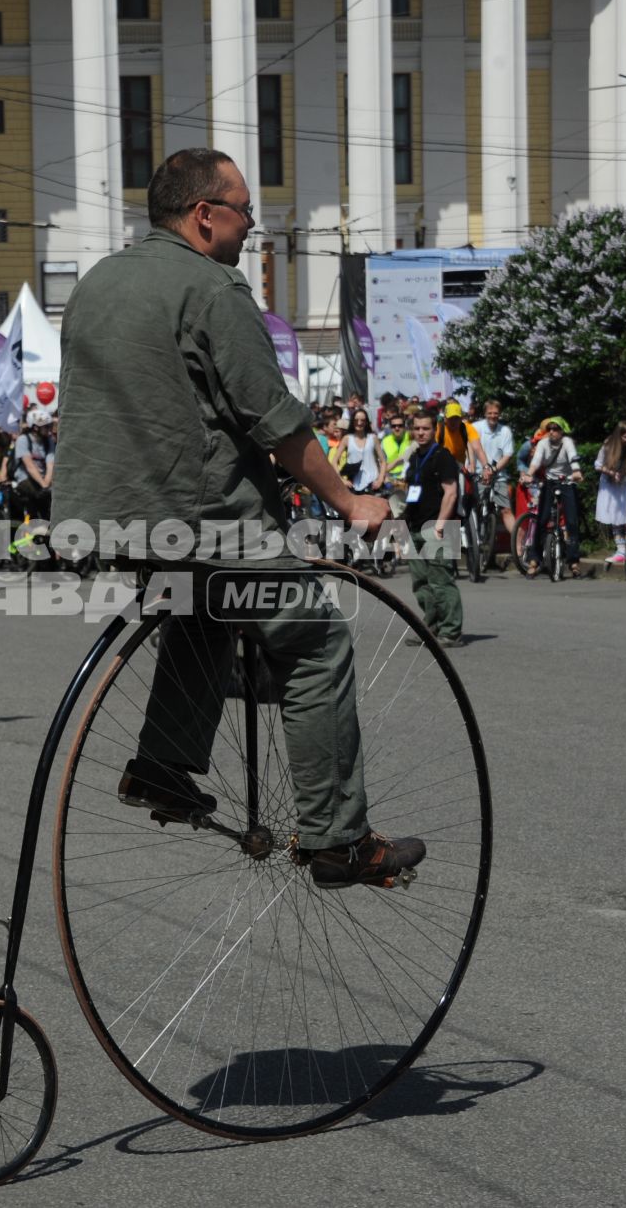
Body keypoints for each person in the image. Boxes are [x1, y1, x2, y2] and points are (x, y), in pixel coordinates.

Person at [52, 146, 426, 891]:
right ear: (204, 216)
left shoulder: (97, 282)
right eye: (244, 212)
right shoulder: (214, 289)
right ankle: (337, 838)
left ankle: (161, 766)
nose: (250, 228)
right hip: (206, 519)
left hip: (114, 521)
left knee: (205, 611)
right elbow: (275, 422)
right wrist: (351, 502)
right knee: (317, 641)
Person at [401, 410, 464, 647]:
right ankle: (430, 628)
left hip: (438, 527)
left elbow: (451, 493)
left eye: (425, 428)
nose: (420, 432)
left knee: (441, 581)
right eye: (417, 428)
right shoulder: (415, 457)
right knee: (421, 583)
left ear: (434, 429)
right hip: (415, 526)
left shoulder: (443, 456)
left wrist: (439, 525)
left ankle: (451, 631)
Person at [523, 416, 583, 577]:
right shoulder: (543, 443)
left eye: (555, 429)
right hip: (550, 482)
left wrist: (576, 471)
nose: (552, 432)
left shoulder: (567, 442)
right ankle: (534, 560)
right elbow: (536, 461)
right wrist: (529, 474)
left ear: (562, 431)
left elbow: (573, 457)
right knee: (541, 520)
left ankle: (573, 561)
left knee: (571, 522)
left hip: (567, 482)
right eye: (549, 429)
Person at [473, 400, 517, 550]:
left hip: (498, 475)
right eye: (490, 413)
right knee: (471, 508)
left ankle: (520, 547)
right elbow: (473, 450)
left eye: (496, 413)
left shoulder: (505, 431)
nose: (493, 416)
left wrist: (493, 470)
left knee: (506, 509)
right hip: (477, 473)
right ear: (485, 413)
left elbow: (507, 455)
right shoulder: (476, 428)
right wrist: (481, 470)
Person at [594, 423, 626, 564]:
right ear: (618, 436)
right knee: (616, 518)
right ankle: (621, 550)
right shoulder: (608, 446)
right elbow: (598, 464)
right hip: (611, 485)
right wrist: (611, 472)